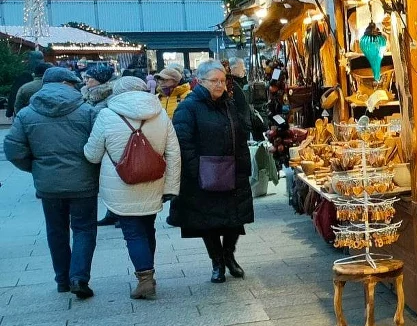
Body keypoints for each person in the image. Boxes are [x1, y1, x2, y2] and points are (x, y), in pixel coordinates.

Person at [3, 67, 99, 298]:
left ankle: (62, 280)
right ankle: (79, 277)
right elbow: (99, 144)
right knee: (84, 229)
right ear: (68, 84)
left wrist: (36, 167)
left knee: (56, 231)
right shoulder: (87, 111)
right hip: (83, 182)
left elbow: (13, 149)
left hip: (48, 186)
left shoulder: (27, 114)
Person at [84, 76, 181, 299]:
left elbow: (92, 154)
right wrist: (171, 188)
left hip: (120, 185)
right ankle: (149, 273)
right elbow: (174, 154)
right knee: (148, 229)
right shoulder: (161, 115)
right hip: (153, 183)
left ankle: (145, 280)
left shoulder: (106, 115)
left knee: (133, 233)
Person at [169, 61, 253, 283]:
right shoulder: (188, 107)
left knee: (235, 218)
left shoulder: (230, 104)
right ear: (200, 81)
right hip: (205, 174)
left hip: (232, 170)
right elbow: (182, 141)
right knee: (209, 222)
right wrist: (196, 168)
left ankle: (229, 256)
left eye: (223, 80)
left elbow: (242, 134)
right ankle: (217, 261)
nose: (219, 85)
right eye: (214, 81)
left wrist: (244, 164)